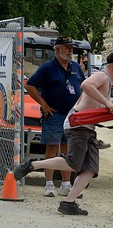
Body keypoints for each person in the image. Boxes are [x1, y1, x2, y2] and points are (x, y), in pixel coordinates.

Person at [13, 52, 113, 215]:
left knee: (90, 168)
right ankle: (32, 165)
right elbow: (86, 85)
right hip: (78, 124)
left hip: (87, 127)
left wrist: (107, 104)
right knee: (73, 163)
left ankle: (68, 203)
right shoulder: (103, 76)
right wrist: (108, 102)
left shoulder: (107, 81)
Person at [25, 36, 85, 197]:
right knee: (52, 147)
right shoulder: (48, 67)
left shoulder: (75, 67)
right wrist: (43, 104)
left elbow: (84, 86)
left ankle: (66, 184)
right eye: (66, 47)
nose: (70, 50)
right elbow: (30, 84)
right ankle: (49, 184)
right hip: (54, 114)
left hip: (72, 115)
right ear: (58, 50)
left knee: (68, 149)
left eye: (71, 47)